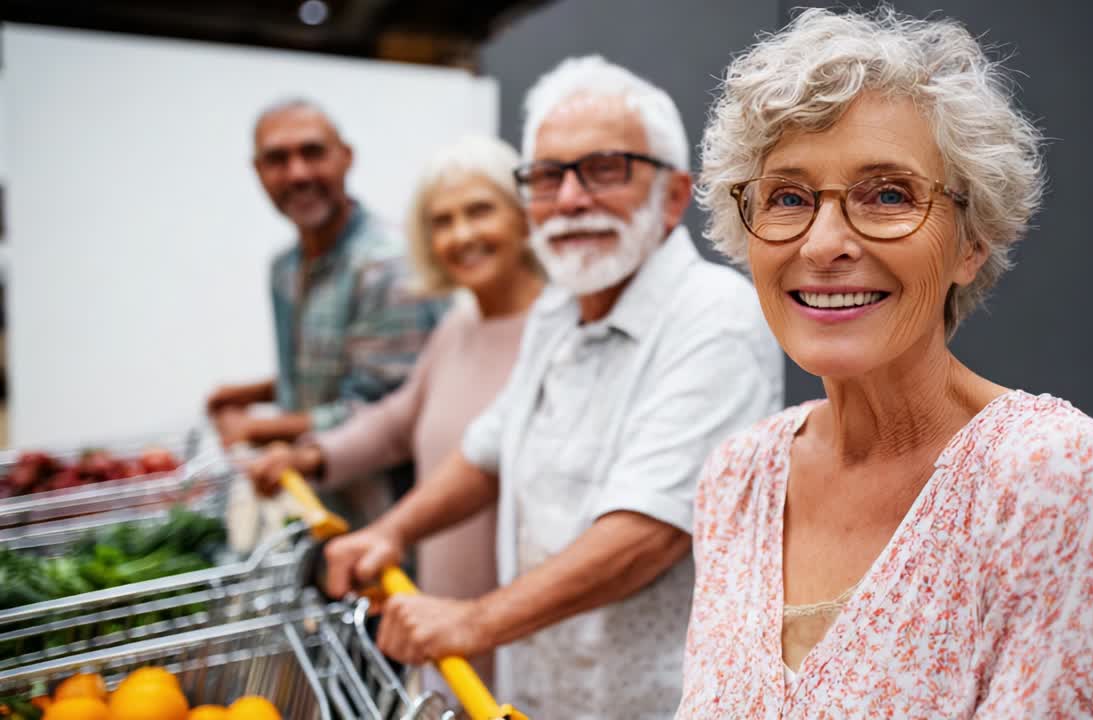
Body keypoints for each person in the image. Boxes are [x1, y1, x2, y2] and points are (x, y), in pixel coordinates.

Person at [677, 8, 1093, 719]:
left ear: (972, 242)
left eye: (889, 194)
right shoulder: (738, 480)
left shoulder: (1045, 472)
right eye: (788, 198)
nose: (824, 243)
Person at [319, 56, 783, 718]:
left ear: (674, 195)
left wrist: (475, 622)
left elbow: (648, 533)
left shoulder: (716, 317)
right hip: (531, 692)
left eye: (603, 170)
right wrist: (391, 531)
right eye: (547, 176)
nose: (569, 199)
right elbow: (491, 444)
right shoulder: (559, 306)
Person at [246, 135, 543, 692]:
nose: (462, 234)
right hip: (440, 610)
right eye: (443, 220)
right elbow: (396, 420)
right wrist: (310, 455)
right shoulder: (458, 327)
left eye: (480, 211)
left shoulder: (556, 333)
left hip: (517, 623)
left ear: (524, 215)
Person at [206, 99, 446, 454]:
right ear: (257, 171)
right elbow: (326, 371)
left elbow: (384, 411)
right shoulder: (285, 267)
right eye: (277, 159)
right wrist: (253, 394)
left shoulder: (387, 264)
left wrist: (254, 430)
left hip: (384, 499)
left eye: (313, 152)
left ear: (346, 156)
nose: (298, 173)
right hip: (315, 494)